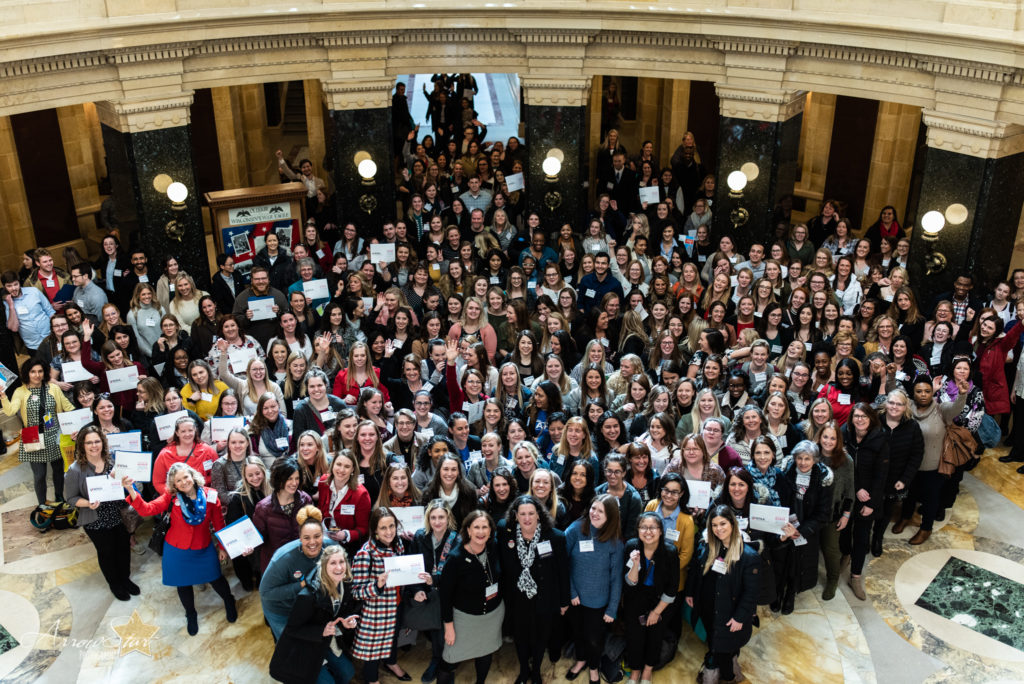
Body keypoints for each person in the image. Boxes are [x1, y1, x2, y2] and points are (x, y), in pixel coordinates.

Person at [123, 462, 237, 636]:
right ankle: (190, 614)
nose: (184, 482)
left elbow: (219, 524)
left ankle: (229, 601)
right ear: (173, 484)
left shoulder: (211, 495)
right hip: (176, 550)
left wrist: (222, 547)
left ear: (192, 476)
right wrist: (131, 490)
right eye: (178, 480)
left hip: (203, 547)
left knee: (216, 578)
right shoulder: (170, 497)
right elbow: (147, 510)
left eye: (186, 477)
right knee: (183, 584)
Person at [497, 495, 571, 684]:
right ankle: (524, 670)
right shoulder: (507, 535)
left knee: (541, 636)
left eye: (531, 513)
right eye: (522, 514)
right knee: (520, 636)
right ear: (516, 516)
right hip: (517, 598)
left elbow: (563, 572)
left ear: (539, 515)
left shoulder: (555, 537)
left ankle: (536, 670)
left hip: (545, 598)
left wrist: (564, 601)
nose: (527, 518)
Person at [684, 505, 761, 684]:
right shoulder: (707, 546)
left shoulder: (749, 556)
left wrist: (740, 618)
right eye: (714, 525)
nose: (719, 529)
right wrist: (690, 592)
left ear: (733, 524)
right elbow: (696, 571)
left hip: (730, 613)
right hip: (708, 607)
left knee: (724, 650)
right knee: (714, 641)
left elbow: (752, 592)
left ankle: (728, 677)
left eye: (723, 523)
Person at [893, 374, 968, 545]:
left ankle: (926, 528)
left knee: (931, 498)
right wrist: (891, 376)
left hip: (932, 466)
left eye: (927, 391)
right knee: (909, 494)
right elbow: (894, 394)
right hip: (911, 465)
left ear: (932, 392)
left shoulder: (942, 409)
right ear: (913, 393)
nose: (923, 394)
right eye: (919, 391)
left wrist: (962, 394)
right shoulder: (909, 407)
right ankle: (905, 517)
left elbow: (957, 407)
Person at [64, 426, 137, 600]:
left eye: (97, 441)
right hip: (95, 519)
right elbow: (70, 498)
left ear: (103, 442)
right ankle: (115, 584)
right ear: (82, 445)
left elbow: (128, 488)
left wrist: (126, 483)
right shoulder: (75, 470)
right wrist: (88, 503)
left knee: (123, 548)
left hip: (118, 514)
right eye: (89, 442)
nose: (93, 445)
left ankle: (125, 579)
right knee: (107, 552)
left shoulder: (113, 461)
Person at [268, 545, 359, 684]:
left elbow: (342, 610)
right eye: (333, 563)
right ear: (323, 566)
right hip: (306, 646)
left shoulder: (345, 583)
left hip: (326, 641)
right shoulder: (308, 596)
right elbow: (292, 629)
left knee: (348, 673)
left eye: (341, 562)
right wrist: (321, 631)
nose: (339, 568)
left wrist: (346, 620)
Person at [436, 509, 503, 684]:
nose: (481, 532)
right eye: (476, 527)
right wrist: (448, 627)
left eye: (484, 527)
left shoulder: (494, 547)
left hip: (492, 615)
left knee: (485, 652)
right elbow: (445, 596)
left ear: (490, 530)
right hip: (464, 619)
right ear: (468, 530)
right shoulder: (455, 558)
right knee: (449, 659)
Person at [564, 493, 624, 683]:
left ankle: (593, 667)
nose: (595, 513)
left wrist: (612, 608)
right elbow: (563, 565)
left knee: (594, 639)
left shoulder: (615, 541)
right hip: (575, 598)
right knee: (578, 634)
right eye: (593, 508)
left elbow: (616, 578)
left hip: (598, 602)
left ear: (611, 517)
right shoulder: (574, 530)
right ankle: (581, 660)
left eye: (601, 511)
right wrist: (572, 592)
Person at [351, 507, 413, 684]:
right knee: (373, 649)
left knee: (393, 637)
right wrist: (377, 585)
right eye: (383, 528)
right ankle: (372, 680)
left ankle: (391, 663)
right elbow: (356, 592)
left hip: (396, 603)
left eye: (392, 526)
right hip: (375, 612)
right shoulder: (365, 554)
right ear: (375, 530)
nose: (389, 531)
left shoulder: (398, 543)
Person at [1, 358, 75, 504]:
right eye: (33, 372)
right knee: (40, 475)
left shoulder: (53, 388)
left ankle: (59, 496)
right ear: (27, 374)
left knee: (58, 470)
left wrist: (85, 415)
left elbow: (67, 407)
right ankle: (42, 503)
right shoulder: (20, 391)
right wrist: (3, 396)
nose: (37, 375)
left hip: (54, 433)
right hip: (32, 435)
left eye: (40, 371)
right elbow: (10, 411)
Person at [259, 506, 339, 638]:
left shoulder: (331, 547)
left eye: (317, 536)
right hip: (281, 610)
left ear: (323, 535)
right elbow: (265, 593)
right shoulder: (283, 559)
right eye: (306, 538)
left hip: (307, 606)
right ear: (299, 538)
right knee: (288, 645)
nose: (312, 542)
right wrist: (302, 584)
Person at [621, 511, 680, 684]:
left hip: (660, 600)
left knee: (655, 636)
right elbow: (629, 584)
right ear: (638, 530)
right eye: (643, 527)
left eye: (653, 527)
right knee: (634, 637)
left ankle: (647, 671)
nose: (648, 531)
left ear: (661, 531)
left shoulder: (670, 551)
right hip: (635, 599)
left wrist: (656, 612)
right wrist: (636, 565)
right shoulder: (631, 547)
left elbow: (672, 587)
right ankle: (635, 671)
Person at [775, 440, 832, 614]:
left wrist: (802, 530)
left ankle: (790, 594)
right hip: (785, 525)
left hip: (807, 528)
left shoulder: (823, 479)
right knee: (781, 560)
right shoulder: (786, 472)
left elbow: (824, 513)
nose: (803, 463)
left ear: (814, 460)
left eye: (807, 458)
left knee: (798, 563)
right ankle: (777, 593)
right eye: (799, 458)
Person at [405, 499, 459, 682]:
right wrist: (416, 590)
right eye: (433, 517)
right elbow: (411, 566)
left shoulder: (456, 539)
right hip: (428, 592)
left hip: (449, 593)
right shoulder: (420, 537)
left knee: (448, 631)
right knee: (436, 631)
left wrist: (436, 579)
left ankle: (447, 664)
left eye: (441, 517)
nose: (437, 522)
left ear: (448, 517)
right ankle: (438, 659)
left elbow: (458, 574)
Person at [841, 403, 889, 600]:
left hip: (868, 497)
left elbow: (882, 474)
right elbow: (843, 463)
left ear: (871, 419)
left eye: (864, 416)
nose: (859, 420)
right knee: (843, 530)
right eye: (856, 416)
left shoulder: (880, 439)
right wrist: (857, 487)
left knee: (861, 537)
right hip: (848, 493)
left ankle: (856, 576)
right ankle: (845, 554)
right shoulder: (845, 433)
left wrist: (872, 503)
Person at [254, 458, 315, 572]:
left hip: (302, 560)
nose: (294, 483)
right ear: (279, 479)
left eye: (297, 478)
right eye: (289, 479)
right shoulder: (263, 508)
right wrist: (248, 547)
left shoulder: (305, 499)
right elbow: (258, 540)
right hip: (277, 564)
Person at [317, 450, 372, 559]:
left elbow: (363, 529)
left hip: (347, 548)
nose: (341, 470)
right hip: (323, 541)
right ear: (332, 465)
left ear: (352, 470)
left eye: (347, 466)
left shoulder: (361, 494)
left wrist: (346, 535)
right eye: (338, 464)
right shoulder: (323, 482)